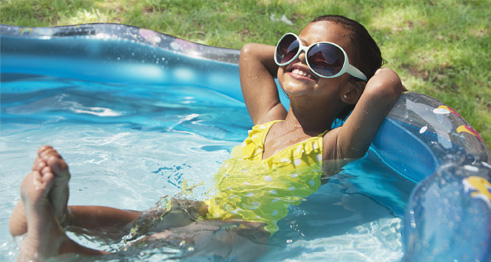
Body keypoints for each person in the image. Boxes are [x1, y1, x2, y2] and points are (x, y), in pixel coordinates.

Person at [9, 15, 404, 261]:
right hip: (208, 206)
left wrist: (360, 78)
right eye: (293, 48)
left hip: (248, 232)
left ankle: (76, 253)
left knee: (204, 233)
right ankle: (57, 216)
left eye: (325, 57)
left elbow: (384, 85)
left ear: (351, 90)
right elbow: (250, 53)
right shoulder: (268, 120)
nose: (301, 59)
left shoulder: (331, 148)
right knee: (156, 217)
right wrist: (302, 58)